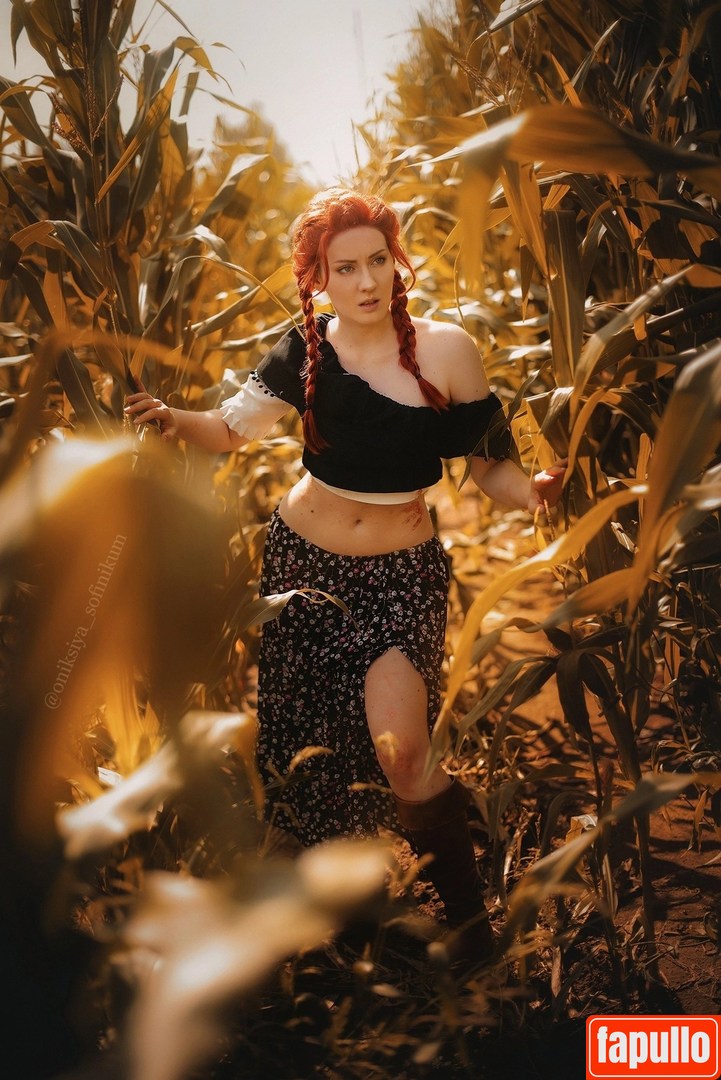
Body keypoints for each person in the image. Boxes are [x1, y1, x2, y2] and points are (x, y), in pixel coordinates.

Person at [124, 187, 566, 963]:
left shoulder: (447, 350)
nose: (366, 282)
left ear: (396, 263)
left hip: (399, 577)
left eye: (377, 262)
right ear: (318, 278)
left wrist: (530, 491)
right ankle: (353, 917)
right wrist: (171, 419)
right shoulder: (304, 350)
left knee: (402, 752)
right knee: (316, 758)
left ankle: (470, 931)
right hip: (303, 568)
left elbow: (488, 464)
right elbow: (227, 430)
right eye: (346, 268)